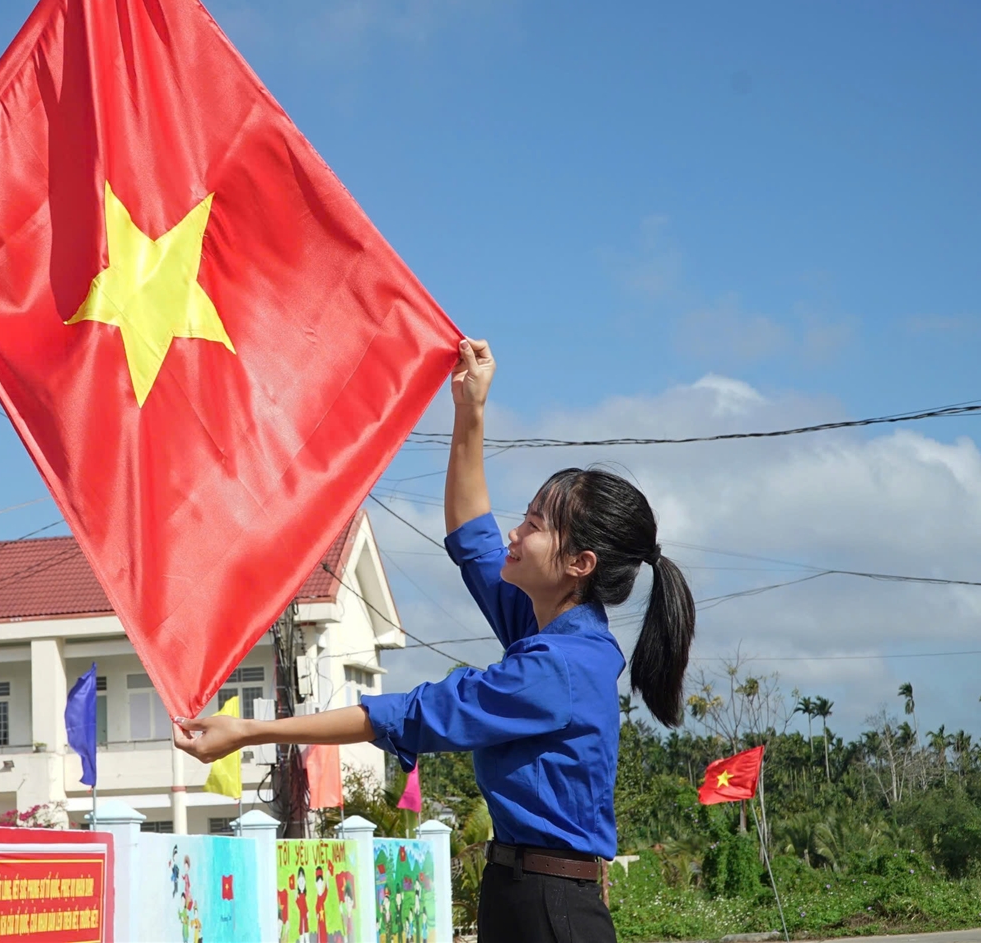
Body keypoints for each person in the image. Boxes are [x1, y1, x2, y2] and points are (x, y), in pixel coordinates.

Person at [175, 338, 697, 942]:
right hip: (524, 894)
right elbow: (472, 536)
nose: (514, 531)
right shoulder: (547, 628)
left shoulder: (556, 666)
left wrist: (251, 732)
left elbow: (414, 714)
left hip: (549, 908)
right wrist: (469, 410)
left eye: (533, 525)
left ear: (579, 563)